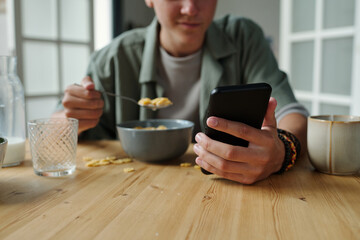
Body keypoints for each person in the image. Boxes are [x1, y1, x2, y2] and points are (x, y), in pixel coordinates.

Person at [52, 0, 308, 184]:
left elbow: (292, 114)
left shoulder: (243, 38)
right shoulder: (113, 59)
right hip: (127, 191)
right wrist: (71, 116)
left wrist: (280, 152)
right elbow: (53, 131)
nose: (190, 8)